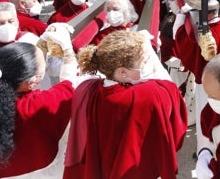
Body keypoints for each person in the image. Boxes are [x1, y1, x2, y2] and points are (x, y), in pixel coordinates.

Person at [63, 30, 187, 179]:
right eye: (143, 62)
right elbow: (170, 90)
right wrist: (151, 54)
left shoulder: (89, 88)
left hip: (104, 168)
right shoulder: (148, 95)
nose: (145, 65)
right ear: (122, 72)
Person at [0, 42, 76, 179]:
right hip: (40, 173)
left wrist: (41, 49)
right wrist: (68, 52)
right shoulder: (36, 104)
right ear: (33, 81)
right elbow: (69, 85)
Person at [173, 0, 220, 151]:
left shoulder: (199, 34)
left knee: (206, 118)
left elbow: (178, 37)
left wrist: (181, 15)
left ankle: (205, 151)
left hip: (207, 84)